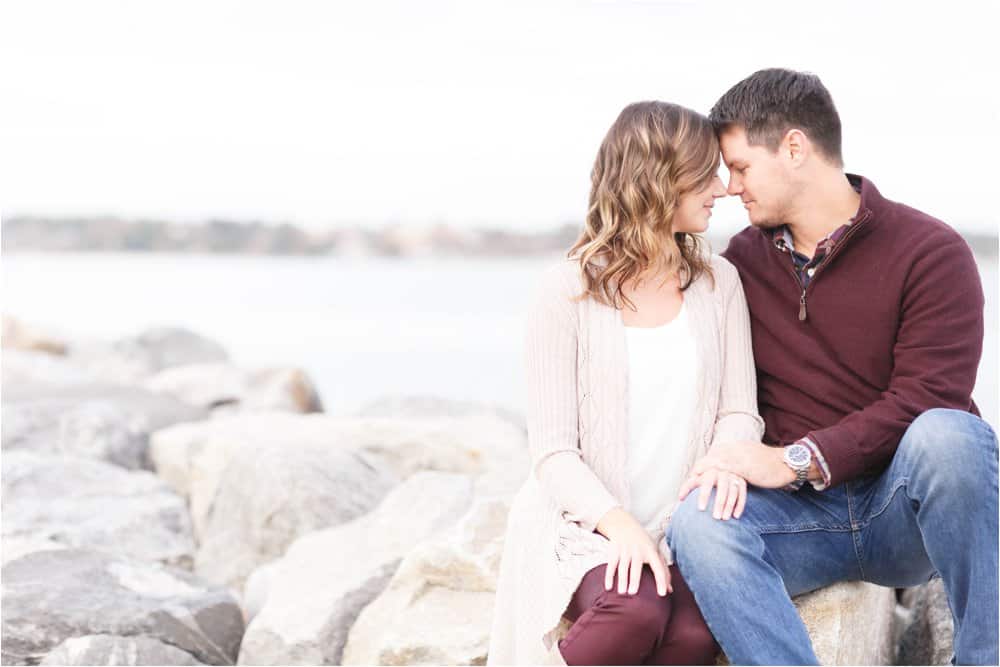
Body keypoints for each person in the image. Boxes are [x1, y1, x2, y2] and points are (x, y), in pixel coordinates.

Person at [667, 68, 998, 665]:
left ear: (794, 148)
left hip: (901, 514)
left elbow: (928, 396)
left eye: (740, 166)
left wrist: (796, 459)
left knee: (952, 435)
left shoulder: (930, 251)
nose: (731, 187)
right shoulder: (738, 263)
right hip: (799, 522)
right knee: (699, 523)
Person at [487, 100, 764, 666]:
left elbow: (741, 411)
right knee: (634, 608)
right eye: (704, 172)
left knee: (693, 634)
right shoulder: (566, 291)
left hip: (682, 524)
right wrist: (618, 527)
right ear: (659, 179)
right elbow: (554, 452)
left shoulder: (720, 284)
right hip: (587, 523)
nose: (722, 187)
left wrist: (718, 471)